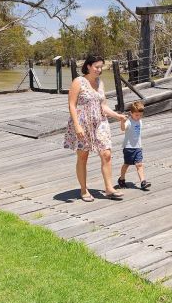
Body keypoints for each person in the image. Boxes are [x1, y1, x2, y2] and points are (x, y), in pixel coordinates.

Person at [64, 55, 127, 201]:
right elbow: (72, 105)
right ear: (88, 66)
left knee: (106, 154)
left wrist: (118, 116)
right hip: (82, 123)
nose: (99, 70)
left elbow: (103, 106)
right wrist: (77, 126)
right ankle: (84, 190)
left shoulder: (100, 83)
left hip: (100, 122)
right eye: (96, 67)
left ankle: (109, 188)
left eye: (101, 67)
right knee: (83, 156)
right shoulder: (78, 81)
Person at [116, 100, 150, 191]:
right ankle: (121, 179)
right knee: (126, 164)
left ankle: (143, 182)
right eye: (136, 115)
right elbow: (123, 129)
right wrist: (122, 122)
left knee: (139, 164)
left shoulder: (140, 121)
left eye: (140, 115)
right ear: (131, 113)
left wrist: (140, 145)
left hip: (138, 147)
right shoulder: (129, 121)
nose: (138, 117)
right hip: (128, 147)